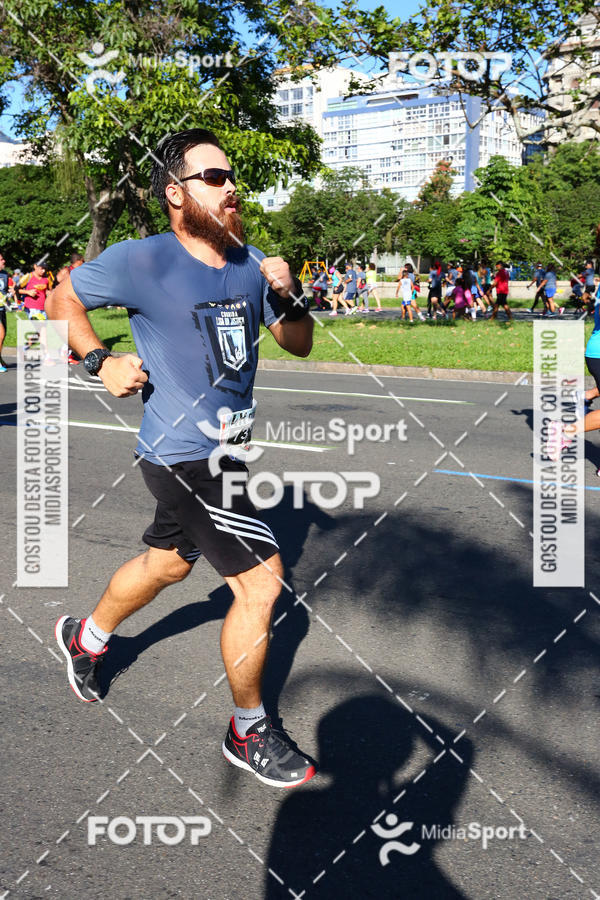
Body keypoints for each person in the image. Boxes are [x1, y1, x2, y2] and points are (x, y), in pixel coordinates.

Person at [47, 127, 316, 789]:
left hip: (227, 451)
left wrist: (288, 292)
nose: (232, 189)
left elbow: (300, 342)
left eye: (232, 176)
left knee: (167, 564)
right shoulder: (144, 260)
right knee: (262, 583)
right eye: (214, 178)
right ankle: (247, 731)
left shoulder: (251, 263)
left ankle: (86, 638)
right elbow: (61, 298)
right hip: (181, 454)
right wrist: (98, 360)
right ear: (176, 193)